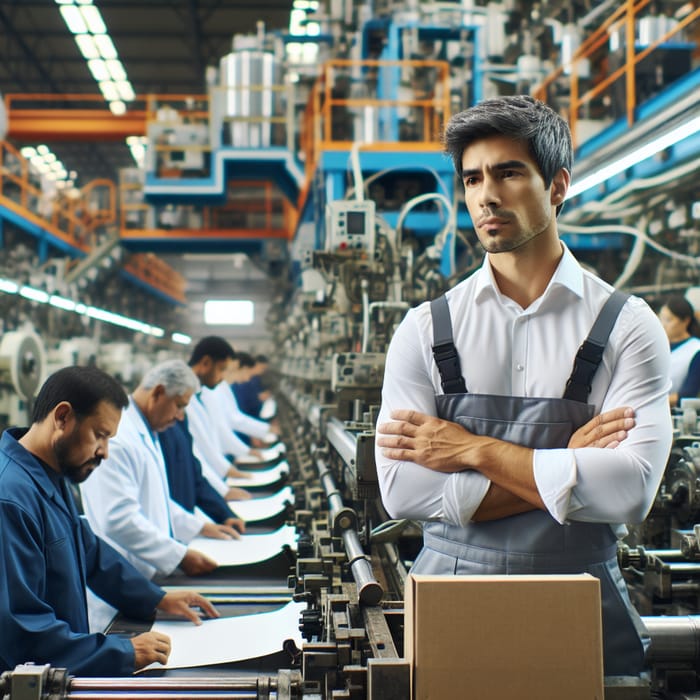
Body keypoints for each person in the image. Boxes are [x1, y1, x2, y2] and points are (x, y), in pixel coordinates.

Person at [374, 95, 672, 678]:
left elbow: (631, 493)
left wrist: (473, 450)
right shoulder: (426, 328)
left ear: (557, 186)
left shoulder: (627, 325)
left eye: (509, 173)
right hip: (448, 612)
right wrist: (567, 463)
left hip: (587, 609)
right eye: (472, 178)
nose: (486, 194)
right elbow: (402, 490)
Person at [0, 366, 218, 676]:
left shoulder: (50, 475)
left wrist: (156, 598)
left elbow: (89, 552)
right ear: (62, 417)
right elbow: (23, 631)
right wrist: (122, 652)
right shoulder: (10, 498)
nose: (104, 452)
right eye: (99, 435)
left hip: (58, 674)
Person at [80, 359, 238, 582]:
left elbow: (156, 500)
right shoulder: (118, 439)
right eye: (180, 406)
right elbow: (118, 518)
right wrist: (179, 556)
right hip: (120, 588)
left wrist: (200, 526)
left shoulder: (148, 431)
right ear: (159, 393)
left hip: (144, 578)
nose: (180, 416)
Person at [658, 294, 700, 407]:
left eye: (668, 320)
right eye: (660, 318)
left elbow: (688, 393)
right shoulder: (658, 347)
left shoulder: (695, 350)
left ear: (685, 321)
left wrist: (652, 403)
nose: (663, 325)